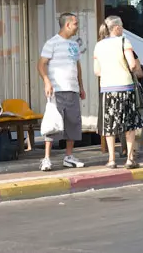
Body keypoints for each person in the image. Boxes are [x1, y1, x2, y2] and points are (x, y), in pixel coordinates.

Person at [37, 12, 86, 172]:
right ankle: (46, 158)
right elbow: (41, 64)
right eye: (75, 23)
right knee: (54, 123)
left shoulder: (74, 44)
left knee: (73, 122)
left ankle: (69, 156)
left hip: (72, 89)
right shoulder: (52, 43)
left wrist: (81, 86)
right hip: (57, 90)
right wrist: (46, 81)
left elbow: (77, 66)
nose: (77, 26)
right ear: (67, 25)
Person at [94, 15, 143, 169]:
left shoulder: (99, 45)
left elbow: (97, 71)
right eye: (121, 26)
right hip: (125, 88)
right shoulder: (124, 42)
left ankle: (111, 159)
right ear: (116, 28)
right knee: (129, 125)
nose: (122, 28)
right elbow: (133, 64)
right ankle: (129, 159)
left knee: (109, 125)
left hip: (107, 89)